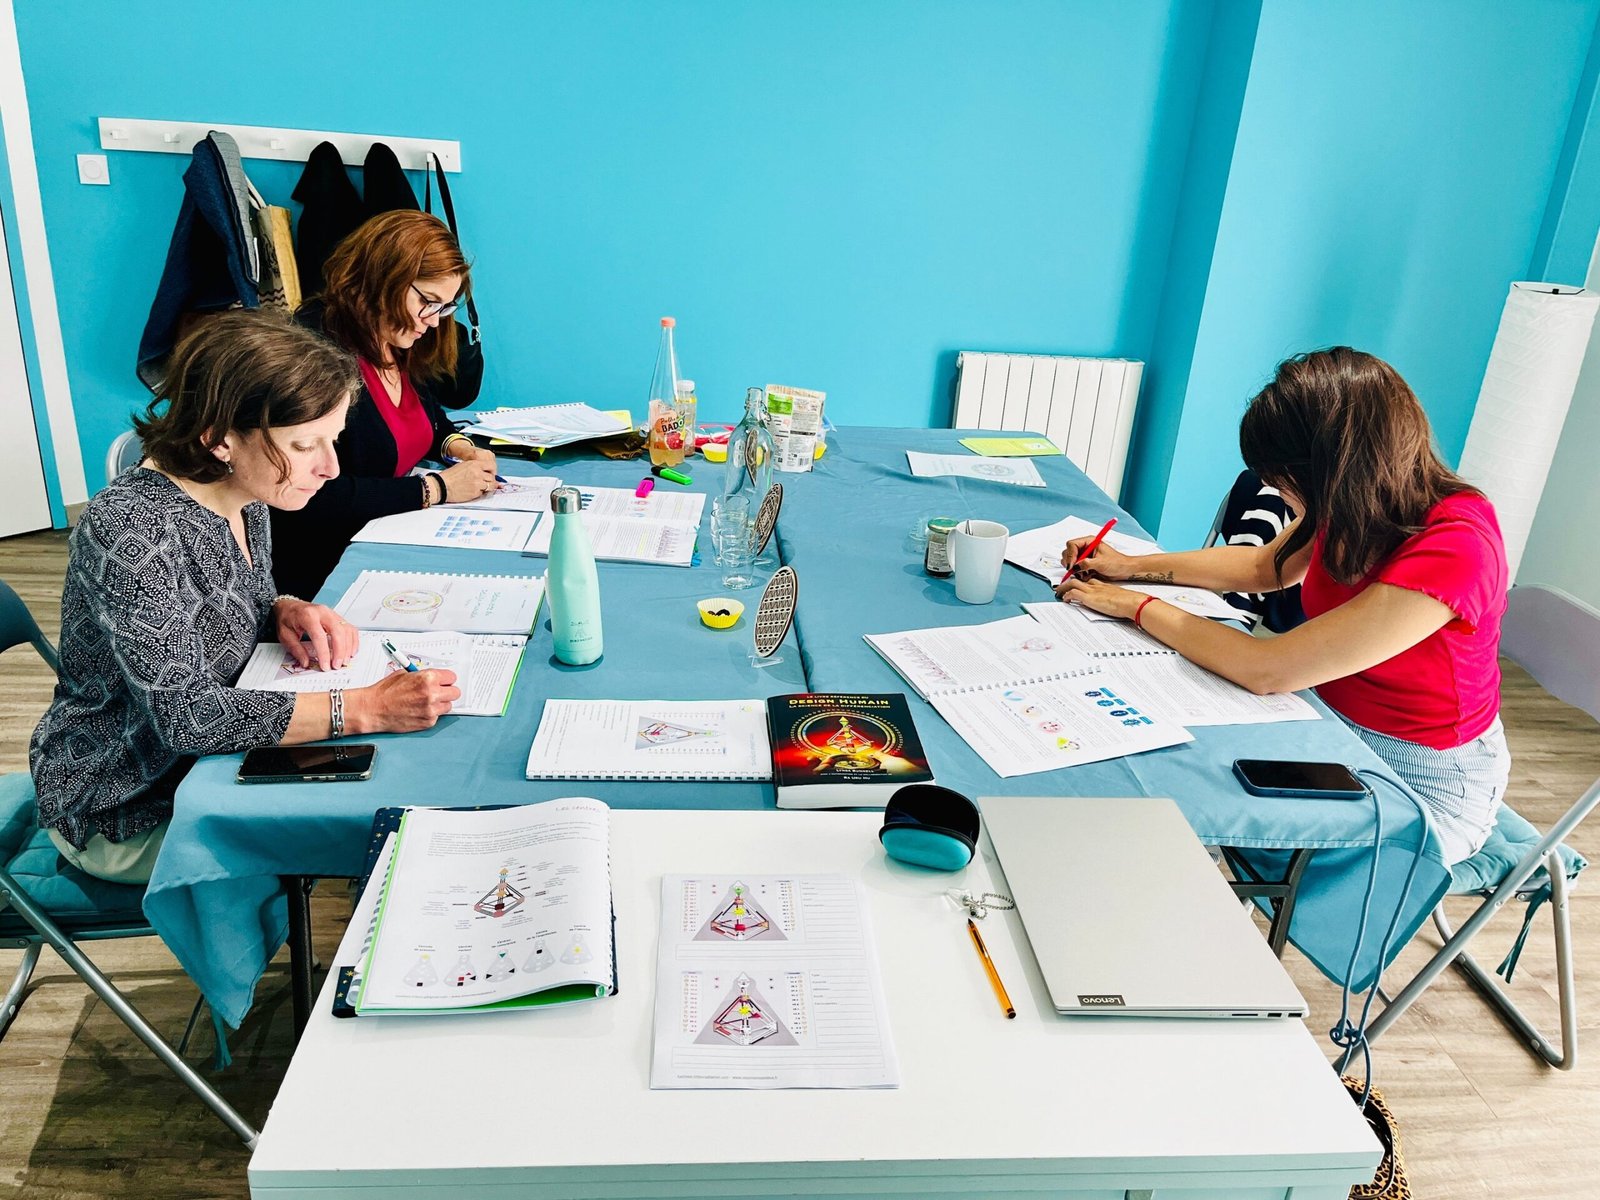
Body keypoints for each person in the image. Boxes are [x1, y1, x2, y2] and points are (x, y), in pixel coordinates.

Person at [30, 311, 460, 884]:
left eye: (331, 440)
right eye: (304, 445)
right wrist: (365, 708)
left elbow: (223, 599)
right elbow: (187, 718)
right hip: (130, 798)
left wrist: (282, 606)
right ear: (220, 439)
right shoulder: (132, 531)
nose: (330, 467)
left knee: (403, 785)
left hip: (214, 757)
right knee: (388, 830)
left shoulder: (245, 493)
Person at [1056, 347, 1509, 865]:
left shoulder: (1456, 548)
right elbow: (1261, 566)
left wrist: (1138, 606)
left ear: (1332, 468)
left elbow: (1267, 668)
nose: (1272, 489)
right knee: (1179, 775)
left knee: (1197, 818)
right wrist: (1129, 566)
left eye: (1280, 478)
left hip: (1423, 778)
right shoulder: (1355, 506)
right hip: (1326, 723)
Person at [269, 209, 500, 600]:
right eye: (428, 301)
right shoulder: (314, 351)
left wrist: (458, 447)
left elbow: (424, 420)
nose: (434, 321)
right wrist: (436, 488)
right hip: (322, 574)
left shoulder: (396, 340)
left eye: (445, 307)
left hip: (383, 543)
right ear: (383, 277)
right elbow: (311, 495)